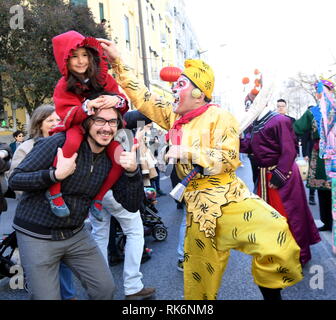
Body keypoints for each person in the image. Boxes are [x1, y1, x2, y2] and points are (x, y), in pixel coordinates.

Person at [99, 38, 304, 300]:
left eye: (180, 85)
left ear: (199, 91)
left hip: (230, 198)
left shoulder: (220, 116)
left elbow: (229, 158)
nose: (174, 91)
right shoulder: (173, 115)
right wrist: (118, 61)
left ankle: (272, 297)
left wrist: (190, 152)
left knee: (275, 233)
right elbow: (143, 95)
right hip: (197, 207)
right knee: (199, 283)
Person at [8, 106, 143, 300]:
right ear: (87, 122)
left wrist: (132, 172)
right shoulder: (58, 142)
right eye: (100, 120)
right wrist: (54, 175)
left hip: (75, 234)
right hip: (36, 235)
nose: (106, 128)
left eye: (112, 122)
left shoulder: (113, 156)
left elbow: (131, 205)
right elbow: (16, 179)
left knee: (104, 290)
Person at [48, 30, 129, 221]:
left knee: (119, 157)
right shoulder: (63, 85)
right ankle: (54, 192)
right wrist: (86, 107)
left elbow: (122, 101)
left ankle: (98, 197)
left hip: (102, 128)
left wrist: (114, 101)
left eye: (84, 55)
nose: (81, 61)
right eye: (74, 56)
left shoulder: (103, 77)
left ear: (91, 56)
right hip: (78, 126)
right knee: (71, 143)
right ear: (65, 59)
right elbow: (65, 113)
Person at [7, 104, 76, 300]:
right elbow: (16, 181)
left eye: (58, 120)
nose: (55, 124)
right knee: (42, 265)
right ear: (39, 124)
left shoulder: (66, 143)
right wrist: (49, 178)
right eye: (50, 121)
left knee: (64, 260)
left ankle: (69, 295)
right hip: (35, 214)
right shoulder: (27, 147)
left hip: (63, 213)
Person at [240, 103, 321, 266]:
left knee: (290, 215)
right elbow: (250, 146)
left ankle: (296, 254)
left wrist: (280, 175)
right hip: (265, 175)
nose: (249, 108)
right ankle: (277, 251)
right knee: (270, 217)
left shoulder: (280, 120)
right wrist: (230, 140)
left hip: (282, 175)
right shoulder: (255, 124)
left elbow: (289, 149)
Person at [294, 82, 333, 232]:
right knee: (323, 191)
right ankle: (327, 222)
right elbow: (297, 128)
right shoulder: (312, 112)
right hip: (320, 156)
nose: (319, 94)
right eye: (318, 91)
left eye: (322, 91)